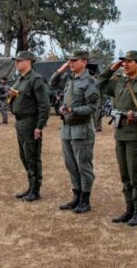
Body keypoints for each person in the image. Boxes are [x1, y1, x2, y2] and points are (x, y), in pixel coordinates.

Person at [98, 50, 137, 227]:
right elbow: (100, 85)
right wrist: (111, 69)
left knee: (136, 176)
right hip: (121, 135)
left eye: (129, 61)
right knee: (125, 175)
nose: (125, 64)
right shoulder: (119, 82)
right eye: (123, 61)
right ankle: (129, 208)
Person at [50, 51, 99, 213]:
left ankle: (85, 200)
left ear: (84, 62)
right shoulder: (69, 79)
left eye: (74, 60)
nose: (71, 63)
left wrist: (73, 110)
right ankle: (76, 197)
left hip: (81, 130)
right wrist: (62, 68)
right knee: (71, 165)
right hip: (67, 130)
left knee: (83, 166)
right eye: (69, 60)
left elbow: (92, 108)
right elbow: (52, 82)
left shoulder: (89, 81)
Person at [9, 51, 50, 202]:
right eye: (16, 61)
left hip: (30, 122)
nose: (16, 63)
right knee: (24, 156)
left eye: (19, 61)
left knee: (32, 156)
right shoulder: (20, 79)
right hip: (20, 122)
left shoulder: (36, 79)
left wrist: (39, 126)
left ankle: (35, 189)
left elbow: (44, 105)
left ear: (27, 61)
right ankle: (30, 186)